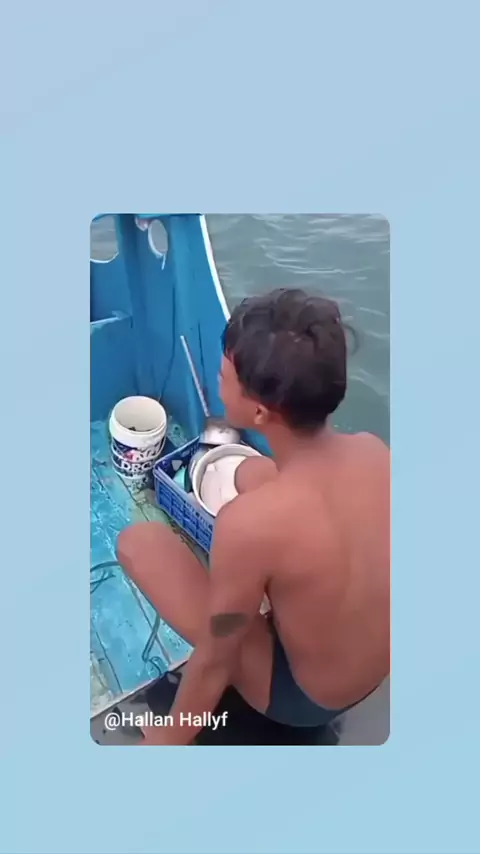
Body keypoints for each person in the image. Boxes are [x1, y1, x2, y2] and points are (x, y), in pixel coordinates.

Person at [117, 288, 390, 745]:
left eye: (224, 374)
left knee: (139, 544)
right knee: (251, 472)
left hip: (304, 699)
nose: (218, 378)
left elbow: (216, 659)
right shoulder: (374, 451)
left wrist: (164, 740)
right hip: (371, 670)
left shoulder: (249, 526)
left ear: (260, 411)